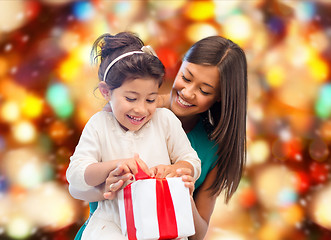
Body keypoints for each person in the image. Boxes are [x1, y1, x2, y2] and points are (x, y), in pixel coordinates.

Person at [69, 34, 248, 240]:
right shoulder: (118, 114)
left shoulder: (195, 138)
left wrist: (181, 188)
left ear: (220, 97)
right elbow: (77, 183)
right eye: (186, 78)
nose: (188, 92)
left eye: (204, 90)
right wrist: (108, 185)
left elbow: (197, 233)